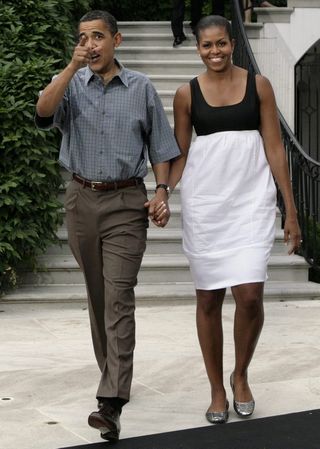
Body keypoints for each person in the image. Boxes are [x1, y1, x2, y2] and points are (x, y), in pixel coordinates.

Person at [35, 10, 180, 442]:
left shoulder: (140, 88)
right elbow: (43, 112)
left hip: (125, 201)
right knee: (98, 299)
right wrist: (71, 67)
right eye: (83, 37)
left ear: (116, 40)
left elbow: (161, 147)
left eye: (98, 36)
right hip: (80, 199)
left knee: (118, 297)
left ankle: (111, 401)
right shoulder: (71, 84)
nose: (91, 44)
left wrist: (161, 193)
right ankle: (111, 379)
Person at [163, 15, 301, 424]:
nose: (215, 52)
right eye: (207, 46)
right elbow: (181, 151)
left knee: (250, 297)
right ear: (198, 49)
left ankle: (240, 374)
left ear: (232, 44)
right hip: (207, 205)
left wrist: (289, 209)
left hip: (251, 202)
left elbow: (275, 147)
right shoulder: (186, 94)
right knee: (208, 298)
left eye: (221, 43)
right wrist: (163, 193)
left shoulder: (259, 86)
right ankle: (216, 388)